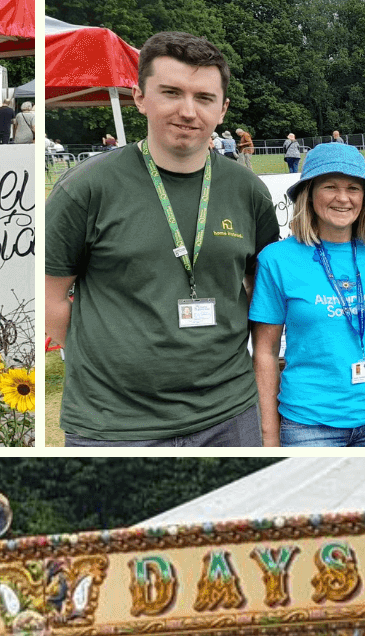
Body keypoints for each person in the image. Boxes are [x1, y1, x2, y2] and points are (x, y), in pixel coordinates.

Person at [46, 31, 280, 446]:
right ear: (139, 97)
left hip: (229, 415)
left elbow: (259, 287)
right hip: (116, 425)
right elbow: (51, 299)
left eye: (204, 98)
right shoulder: (86, 189)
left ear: (222, 109)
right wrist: (113, 354)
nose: (187, 111)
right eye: (170, 92)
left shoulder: (248, 191)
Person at [250, 143, 365, 447]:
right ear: (309, 194)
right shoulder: (277, 259)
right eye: (330, 186)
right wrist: (269, 434)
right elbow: (265, 353)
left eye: (353, 188)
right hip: (309, 425)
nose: (343, 197)